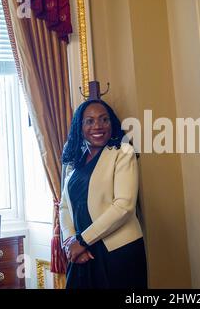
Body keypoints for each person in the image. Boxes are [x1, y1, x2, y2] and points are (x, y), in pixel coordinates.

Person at [59, 99, 147, 289]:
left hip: (117, 251)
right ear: (79, 127)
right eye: (89, 121)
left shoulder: (123, 152)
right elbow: (64, 206)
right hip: (80, 253)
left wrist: (82, 241)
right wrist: (70, 242)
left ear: (111, 123)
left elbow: (124, 206)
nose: (97, 126)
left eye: (104, 119)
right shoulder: (74, 161)